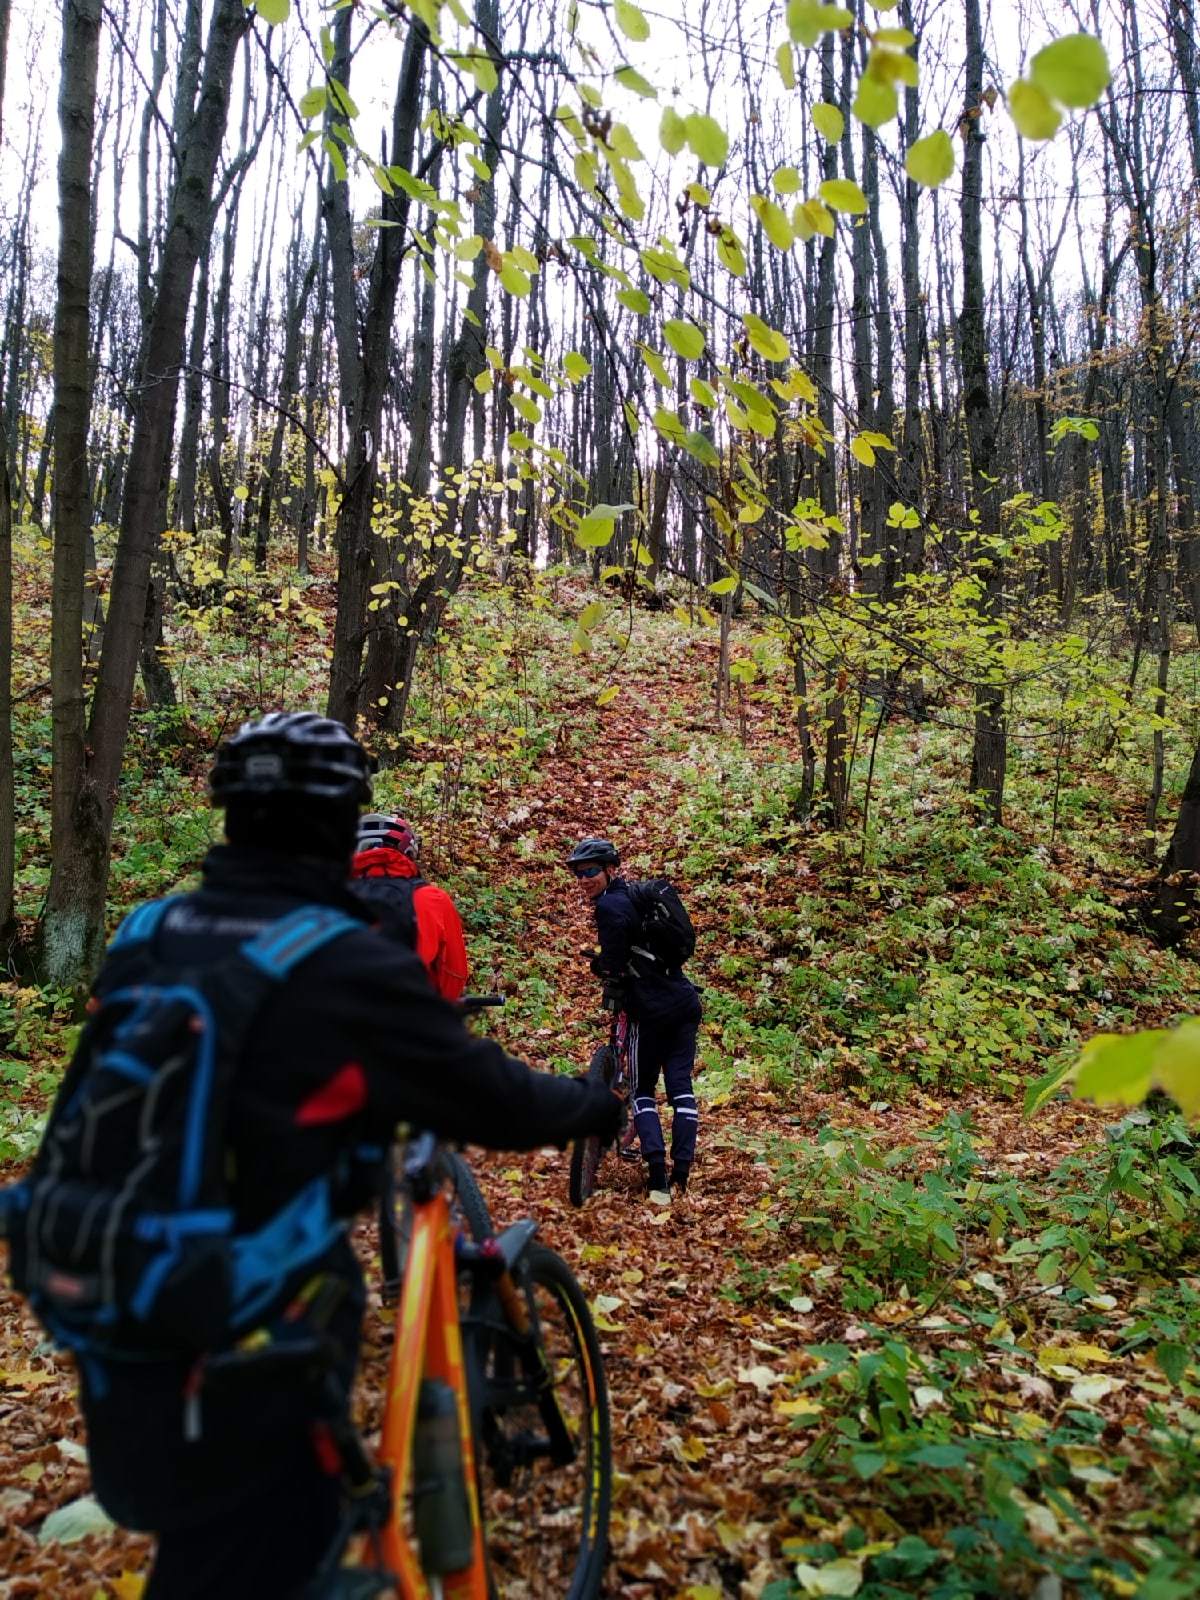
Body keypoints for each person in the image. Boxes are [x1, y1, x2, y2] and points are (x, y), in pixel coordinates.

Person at [17, 713, 621, 1600]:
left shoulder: (149, 930)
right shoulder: (339, 960)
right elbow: (490, 1097)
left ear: (229, 815)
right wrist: (592, 1102)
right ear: (344, 821)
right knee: (269, 1552)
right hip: (243, 1306)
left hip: (97, 1271)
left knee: (208, 1540)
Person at [566, 837, 701, 1199]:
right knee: (681, 1089)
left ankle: (658, 1178)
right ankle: (683, 1174)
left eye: (591, 871)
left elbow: (613, 962)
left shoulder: (610, 908)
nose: (584, 879)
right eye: (579, 873)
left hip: (651, 1011)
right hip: (684, 1002)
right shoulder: (639, 898)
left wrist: (602, 965)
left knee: (642, 1090)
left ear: (611, 870)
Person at [350, 813, 469, 1001]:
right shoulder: (433, 899)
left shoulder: (325, 895)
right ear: (407, 851)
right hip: (410, 1018)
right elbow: (454, 974)